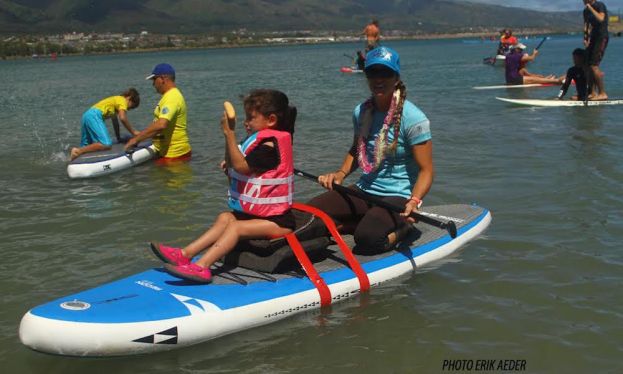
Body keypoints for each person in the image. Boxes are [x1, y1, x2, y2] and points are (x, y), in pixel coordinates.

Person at [150, 89, 297, 283]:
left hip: (279, 222)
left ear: (271, 120)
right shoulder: (258, 142)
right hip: (259, 214)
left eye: (251, 118)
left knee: (235, 227)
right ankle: (185, 254)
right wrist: (229, 161)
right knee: (225, 217)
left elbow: (242, 167)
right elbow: (236, 165)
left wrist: (229, 133)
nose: (247, 122)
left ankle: (202, 267)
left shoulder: (269, 146)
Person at [308, 47, 433, 255]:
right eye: (372, 73)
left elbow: (426, 170)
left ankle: (404, 227)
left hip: (399, 195)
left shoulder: (414, 119)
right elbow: (357, 149)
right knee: (310, 214)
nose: (378, 79)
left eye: (385, 73)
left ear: (396, 77)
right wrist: (339, 174)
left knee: (367, 239)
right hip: (364, 188)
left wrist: (414, 201)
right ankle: (359, 220)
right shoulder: (361, 112)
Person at [124, 63, 191, 163]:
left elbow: (161, 125)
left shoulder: (172, 97)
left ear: (162, 79)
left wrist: (136, 140)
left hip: (175, 155)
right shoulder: (169, 96)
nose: (153, 84)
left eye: (154, 80)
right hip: (169, 154)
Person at [70, 88, 140, 160]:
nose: (129, 109)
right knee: (106, 144)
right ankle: (78, 151)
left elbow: (115, 122)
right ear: (129, 98)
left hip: (86, 116)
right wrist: (133, 132)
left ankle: (76, 158)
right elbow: (122, 118)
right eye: (132, 106)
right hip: (94, 115)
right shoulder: (122, 100)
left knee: (86, 145)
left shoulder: (115, 101)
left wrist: (118, 137)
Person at [583, 0, 609, 100]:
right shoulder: (585, 11)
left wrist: (591, 8)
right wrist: (585, 38)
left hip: (601, 37)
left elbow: (601, 18)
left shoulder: (599, 5)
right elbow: (586, 25)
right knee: (587, 65)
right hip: (593, 38)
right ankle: (593, 92)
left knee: (594, 65)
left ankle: (602, 93)